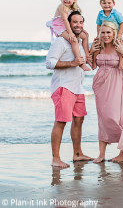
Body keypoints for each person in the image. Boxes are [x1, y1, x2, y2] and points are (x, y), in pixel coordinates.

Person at [46, 11, 93, 168]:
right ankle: (56, 158)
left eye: (81, 22)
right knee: (61, 122)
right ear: (69, 24)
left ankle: (77, 154)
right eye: (75, 22)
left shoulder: (79, 43)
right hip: (63, 86)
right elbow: (49, 63)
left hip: (78, 87)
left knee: (79, 120)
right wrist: (72, 63)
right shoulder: (61, 42)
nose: (78, 25)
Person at [90, 21, 123, 163]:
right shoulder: (98, 45)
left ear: (114, 33)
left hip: (119, 83)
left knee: (119, 117)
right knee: (103, 118)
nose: (105, 35)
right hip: (101, 84)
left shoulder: (122, 45)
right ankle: (101, 154)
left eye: (108, 32)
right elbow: (92, 65)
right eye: (103, 32)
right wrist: (91, 51)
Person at [46, 0, 91, 71]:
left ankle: (87, 56)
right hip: (60, 26)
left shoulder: (73, 8)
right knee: (73, 40)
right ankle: (80, 63)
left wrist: (82, 29)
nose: (66, 0)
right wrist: (70, 33)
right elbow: (64, 20)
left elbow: (76, 21)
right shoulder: (62, 6)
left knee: (85, 36)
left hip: (68, 26)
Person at [96, 0, 123, 69]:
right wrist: (98, 35)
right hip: (107, 33)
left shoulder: (116, 13)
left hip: (118, 33)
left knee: (118, 43)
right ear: (100, 4)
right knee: (97, 42)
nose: (107, 5)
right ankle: (93, 61)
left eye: (109, 3)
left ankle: (121, 60)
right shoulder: (100, 14)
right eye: (104, 3)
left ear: (114, 4)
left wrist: (119, 34)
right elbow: (98, 25)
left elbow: (122, 23)